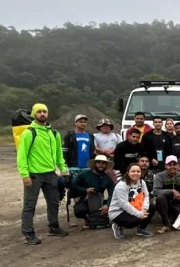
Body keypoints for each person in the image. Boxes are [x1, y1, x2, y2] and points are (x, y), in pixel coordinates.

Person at [16, 103, 69, 245]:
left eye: (44, 111)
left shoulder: (54, 133)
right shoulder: (29, 133)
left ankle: (53, 227)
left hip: (51, 174)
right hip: (34, 175)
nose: (42, 114)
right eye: (39, 112)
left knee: (54, 202)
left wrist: (63, 169)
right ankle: (28, 232)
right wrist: (24, 175)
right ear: (34, 114)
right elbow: (22, 156)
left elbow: (59, 154)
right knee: (29, 205)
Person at [108, 164, 154, 239]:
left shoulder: (142, 182)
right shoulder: (122, 185)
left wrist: (144, 208)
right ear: (128, 172)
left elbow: (146, 196)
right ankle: (118, 226)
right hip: (118, 211)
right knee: (135, 220)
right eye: (133, 171)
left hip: (135, 206)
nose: (136, 173)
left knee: (152, 206)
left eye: (138, 171)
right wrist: (139, 214)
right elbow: (124, 204)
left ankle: (141, 229)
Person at [70, 155, 114, 229]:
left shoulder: (107, 178)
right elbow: (73, 186)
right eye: (99, 163)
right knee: (79, 210)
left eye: (103, 163)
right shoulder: (84, 174)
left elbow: (112, 194)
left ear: (106, 165)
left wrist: (107, 205)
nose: (101, 165)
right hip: (85, 200)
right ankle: (87, 219)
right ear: (94, 164)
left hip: (100, 201)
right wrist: (85, 190)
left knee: (116, 205)